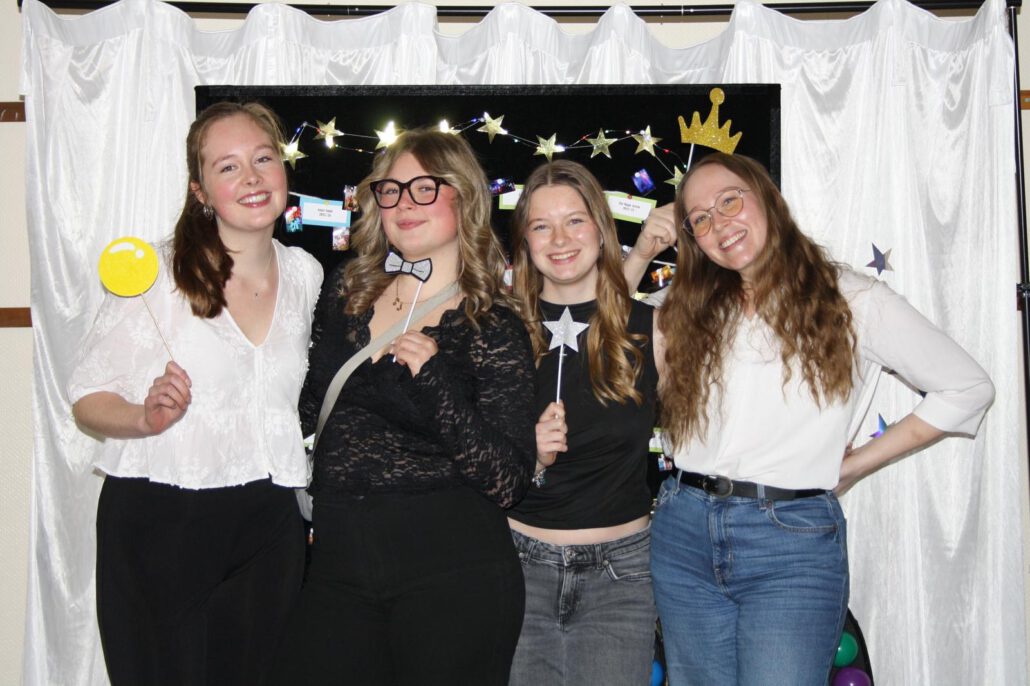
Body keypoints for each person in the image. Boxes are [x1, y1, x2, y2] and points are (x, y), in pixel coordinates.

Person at [646, 152, 995, 685]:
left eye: (730, 201)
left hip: (790, 542)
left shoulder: (852, 298)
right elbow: (607, 321)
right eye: (700, 219)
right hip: (683, 529)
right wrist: (643, 251)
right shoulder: (684, 304)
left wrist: (857, 464)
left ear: (768, 199)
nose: (719, 223)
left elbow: (967, 387)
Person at [68, 101, 323, 685]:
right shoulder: (157, 274)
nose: (252, 177)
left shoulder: (305, 273)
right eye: (228, 167)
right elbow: (86, 397)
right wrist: (144, 417)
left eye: (263, 158)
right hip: (163, 520)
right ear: (200, 191)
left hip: (270, 523)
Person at [274, 129, 536, 685]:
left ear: (463, 197)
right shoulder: (347, 291)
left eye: (424, 188)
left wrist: (435, 380)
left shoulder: (492, 322)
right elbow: (307, 407)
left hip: (451, 572)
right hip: (340, 562)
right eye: (390, 190)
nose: (403, 204)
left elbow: (509, 480)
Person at [506, 160, 660, 685]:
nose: (560, 239)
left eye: (574, 220)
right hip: (516, 568)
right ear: (525, 241)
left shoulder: (654, 329)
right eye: (541, 225)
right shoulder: (499, 332)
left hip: (621, 577)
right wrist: (530, 457)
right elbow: (472, 463)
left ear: (600, 227)